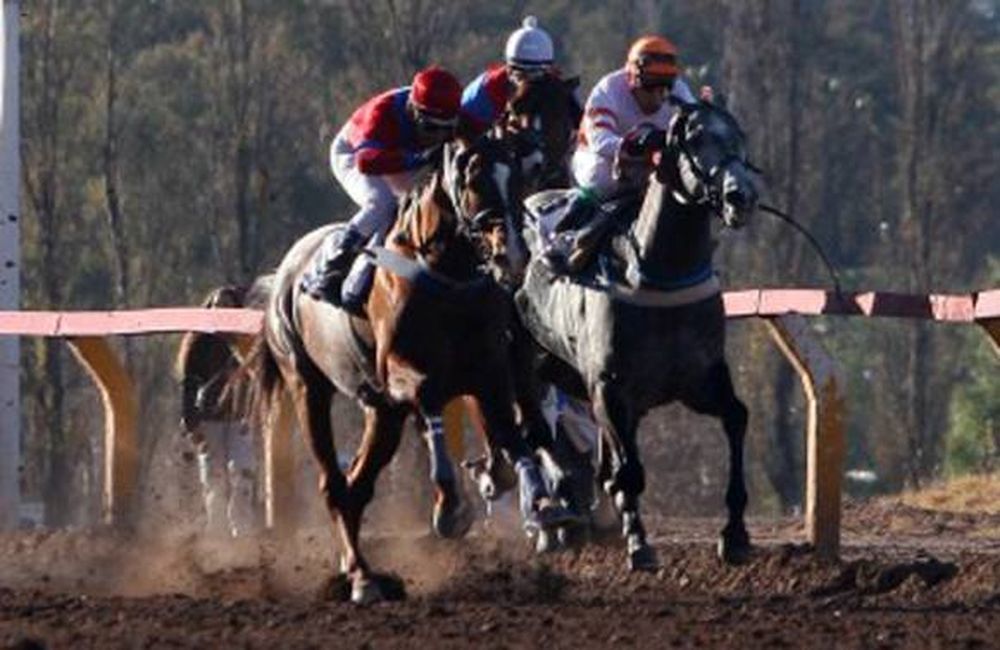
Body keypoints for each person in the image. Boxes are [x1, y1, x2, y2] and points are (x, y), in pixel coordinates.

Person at [301, 65, 463, 309]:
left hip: (400, 157)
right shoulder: (382, 112)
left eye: (446, 129)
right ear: (413, 110)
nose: (438, 136)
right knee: (382, 203)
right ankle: (330, 265)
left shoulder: (445, 112)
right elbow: (367, 162)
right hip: (356, 154)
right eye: (431, 128)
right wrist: (418, 159)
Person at [542, 35, 698, 272]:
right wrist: (636, 146)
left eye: (665, 86)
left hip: (653, 163)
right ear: (632, 78)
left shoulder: (679, 91)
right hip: (598, 158)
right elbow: (599, 139)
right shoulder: (608, 89)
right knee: (604, 177)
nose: (659, 96)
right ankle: (566, 232)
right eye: (651, 86)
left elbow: (696, 130)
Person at [177, 285, 257, 538]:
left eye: (229, 306)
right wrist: (191, 422)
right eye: (219, 306)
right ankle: (217, 535)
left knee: (243, 473)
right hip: (209, 419)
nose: (224, 311)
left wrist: (255, 415)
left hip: (240, 419)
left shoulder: (249, 342)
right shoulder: (198, 343)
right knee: (215, 480)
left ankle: (243, 532)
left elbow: (258, 380)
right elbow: (189, 384)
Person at [459, 16, 580, 138]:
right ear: (508, 69)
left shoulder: (557, 88)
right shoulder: (487, 90)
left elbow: (581, 127)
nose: (528, 82)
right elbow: (464, 133)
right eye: (521, 73)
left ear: (548, 71)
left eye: (536, 74)